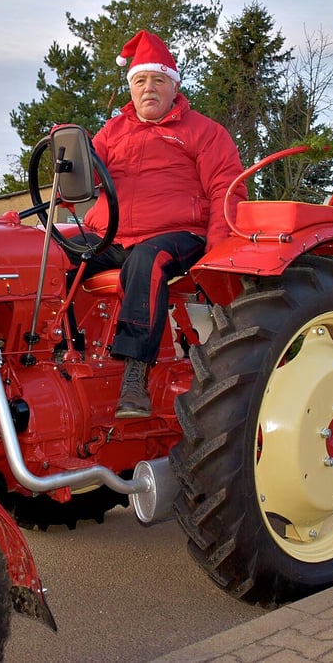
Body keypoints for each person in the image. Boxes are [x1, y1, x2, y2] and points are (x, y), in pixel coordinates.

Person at [74, 30, 247, 418]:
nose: (148, 88)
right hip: (112, 234)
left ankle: (135, 375)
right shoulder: (111, 132)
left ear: (173, 87)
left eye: (157, 80)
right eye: (140, 81)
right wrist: (69, 151)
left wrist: (219, 249)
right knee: (53, 252)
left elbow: (227, 188)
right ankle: (60, 351)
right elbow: (83, 179)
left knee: (147, 261)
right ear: (131, 88)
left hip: (180, 235)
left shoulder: (204, 132)